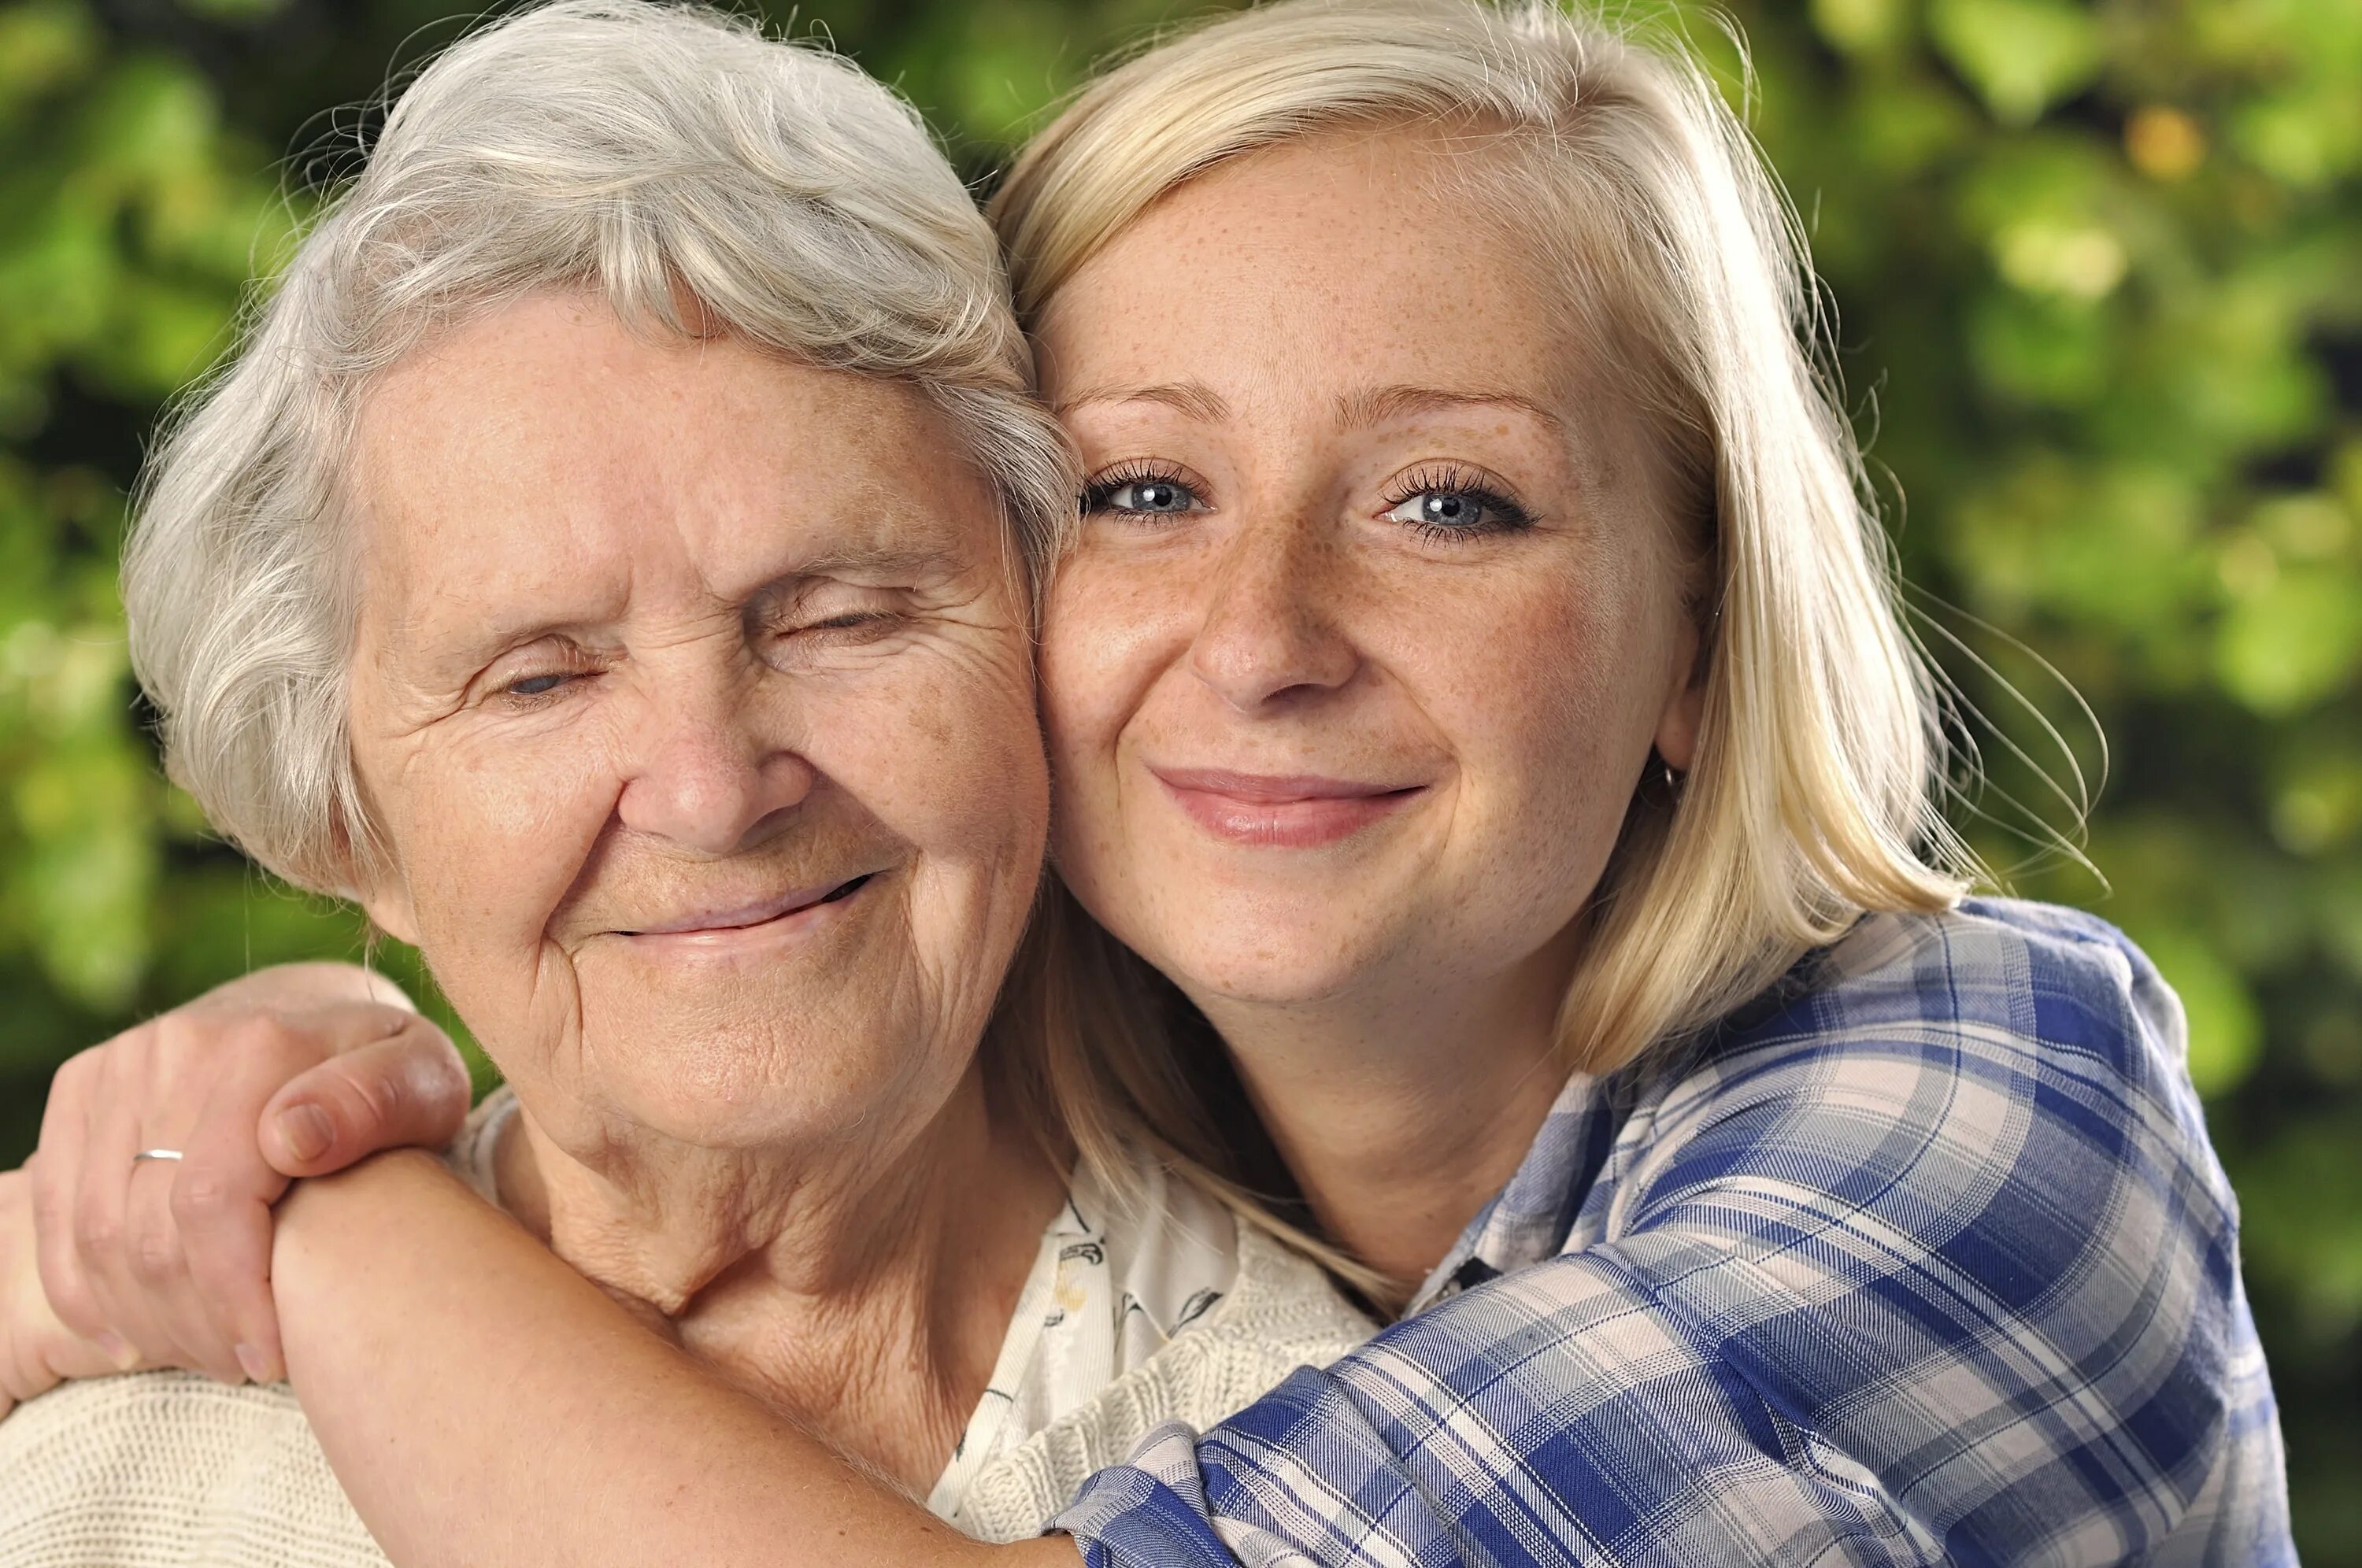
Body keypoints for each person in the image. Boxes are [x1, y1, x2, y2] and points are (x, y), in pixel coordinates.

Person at [9, 0, 2296, 1562]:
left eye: (1450, 506)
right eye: (1142, 498)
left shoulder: (1986, 1094)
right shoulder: (109, 1465)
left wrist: (296, 1214)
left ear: (1701, 637)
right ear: (337, 824)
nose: (1266, 646)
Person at [0, 4, 1380, 1559]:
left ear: (1045, 636)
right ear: (346, 818)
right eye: (540, 677)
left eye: (841, 617)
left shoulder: (1353, 1456)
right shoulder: (95, 1477)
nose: (714, 789)